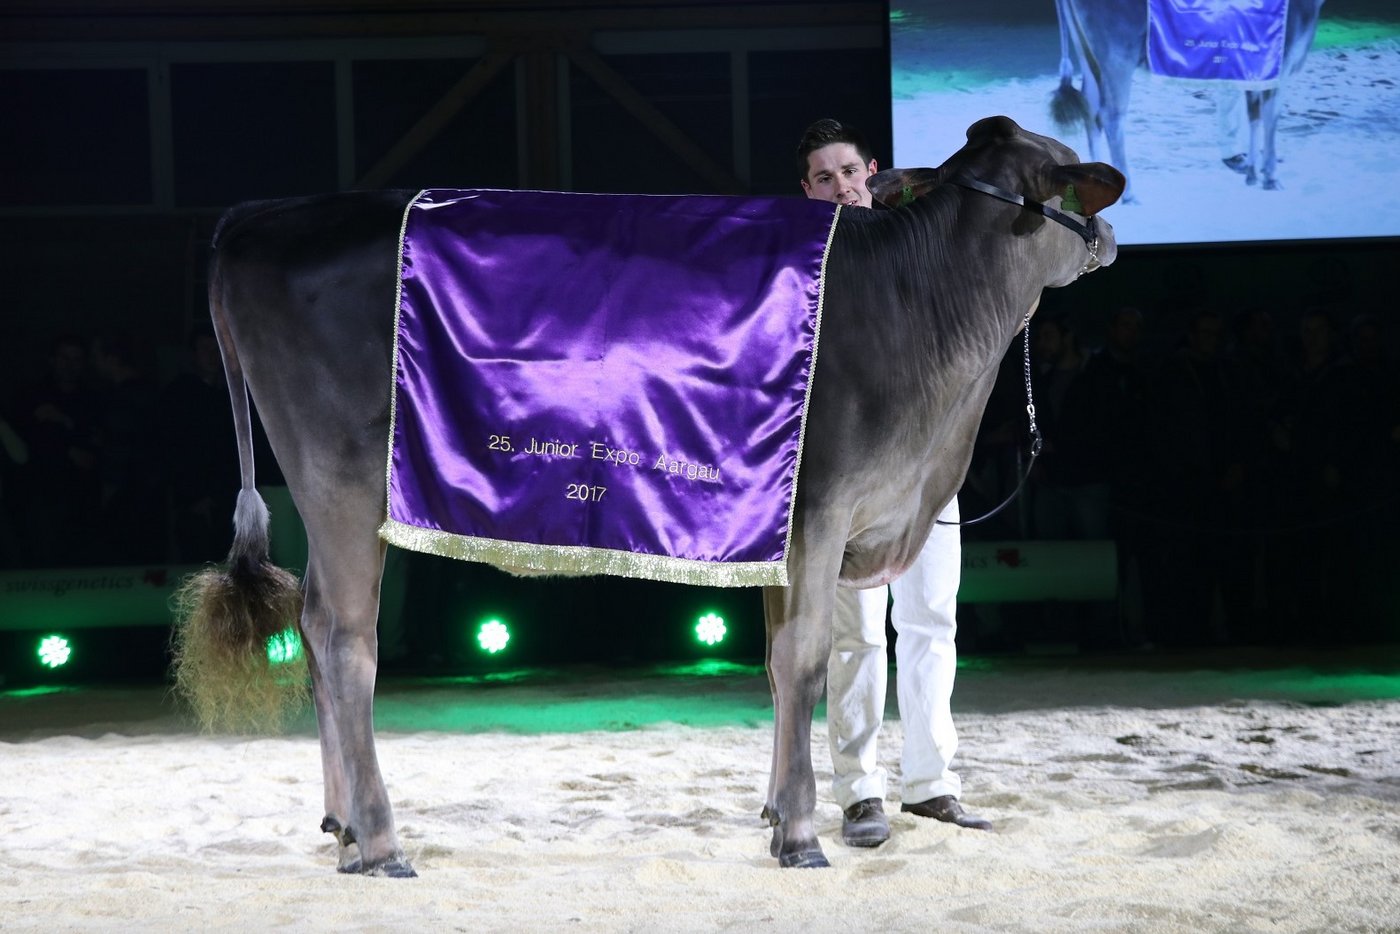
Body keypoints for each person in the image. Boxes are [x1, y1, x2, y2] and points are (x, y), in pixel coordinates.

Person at [796, 118, 991, 847]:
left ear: (871, 172)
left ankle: (932, 783)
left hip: (929, 468)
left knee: (932, 623)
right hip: (849, 477)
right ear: (808, 192)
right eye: (824, 177)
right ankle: (858, 792)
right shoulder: (809, 263)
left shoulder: (924, 247)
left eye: (849, 171)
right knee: (855, 639)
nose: (841, 186)